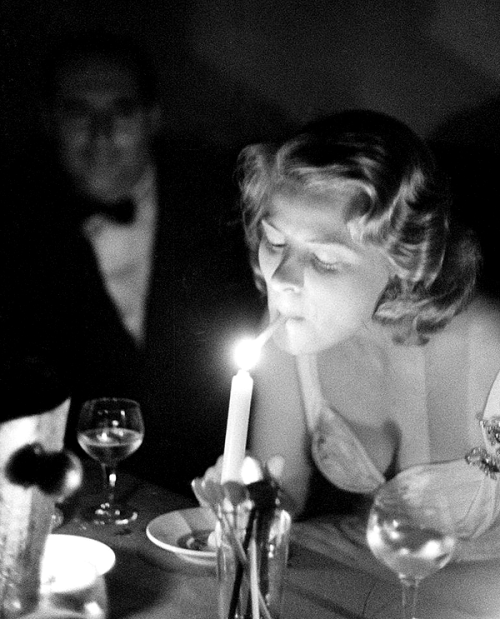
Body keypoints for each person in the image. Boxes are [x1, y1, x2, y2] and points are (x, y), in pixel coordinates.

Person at [230, 109, 500, 561]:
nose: (282, 279)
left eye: (325, 260)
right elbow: (282, 491)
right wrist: (246, 504)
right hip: (360, 584)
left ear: (402, 263)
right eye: (276, 243)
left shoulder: (492, 348)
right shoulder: (289, 332)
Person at [4, 32, 262, 495]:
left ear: (151, 117)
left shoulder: (219, 204)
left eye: (119, 111)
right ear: (49, 120)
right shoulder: (17, 218)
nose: (100, 133)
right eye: (79, 112)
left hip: (204, 487)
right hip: (73, 489)